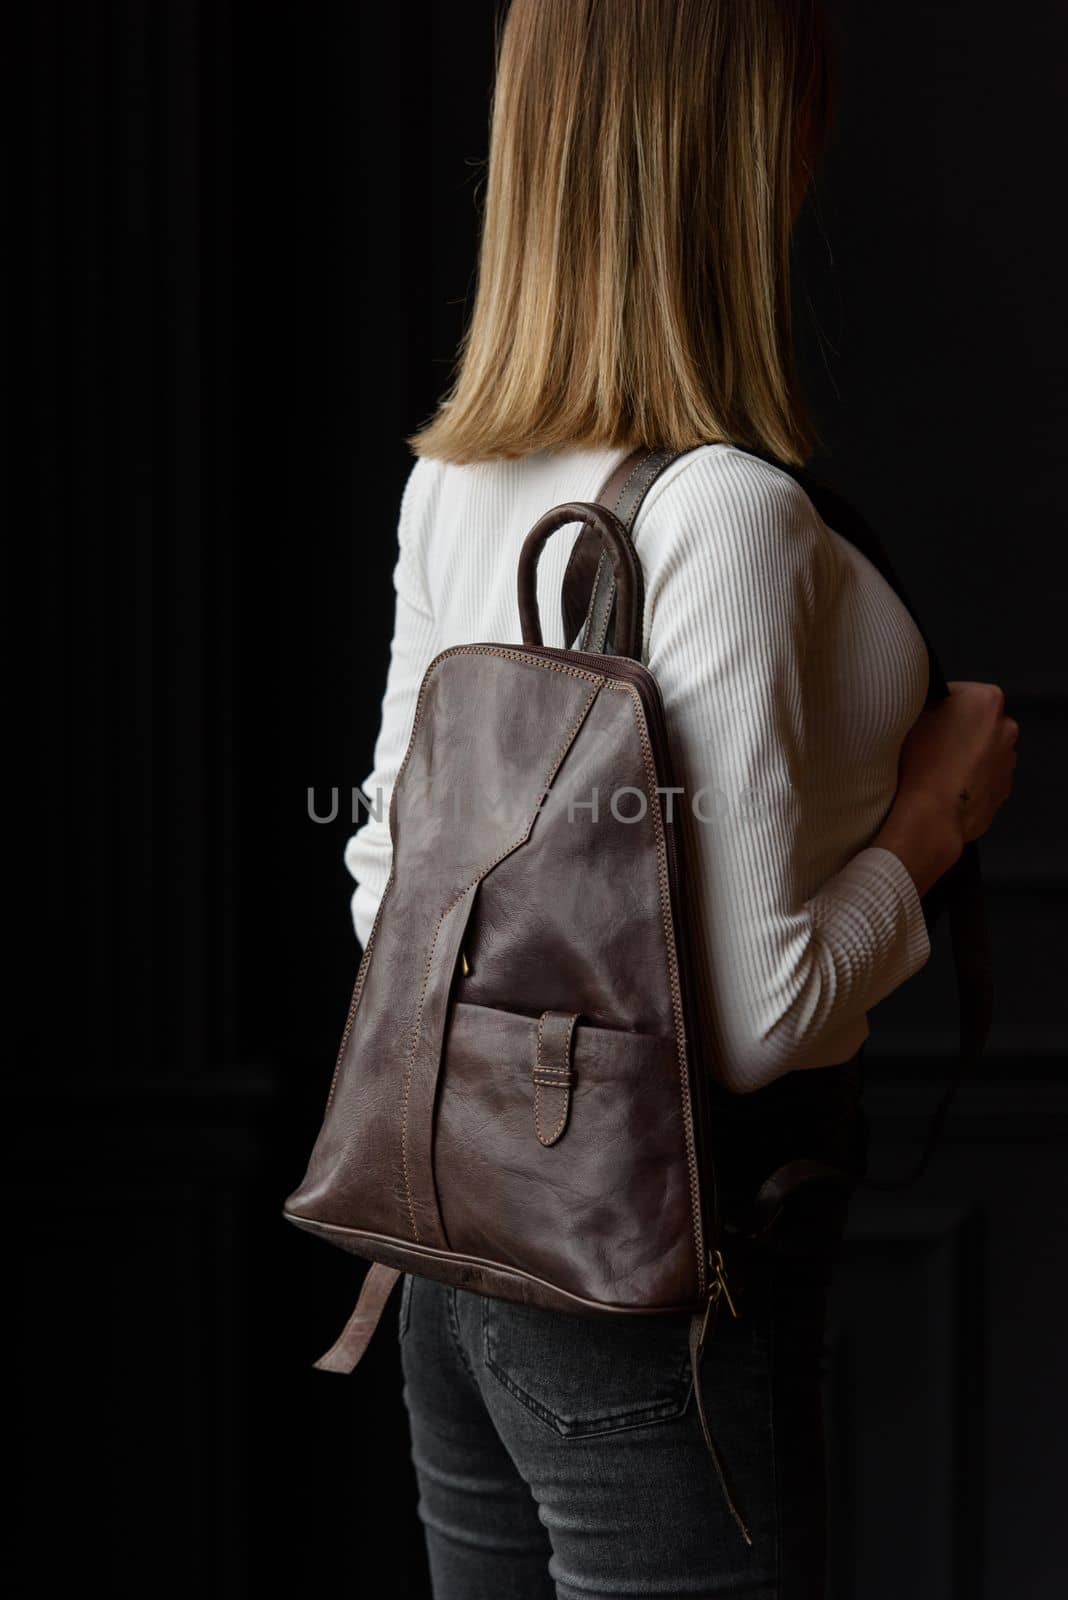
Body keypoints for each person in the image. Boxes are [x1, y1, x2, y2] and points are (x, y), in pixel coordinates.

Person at [343, 2, 1018, 1594]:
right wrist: (934, 820)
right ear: (744, 153)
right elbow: (755, 1018)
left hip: (457, 1270)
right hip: (656, 1296)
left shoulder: (457, 474)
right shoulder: (723, 513)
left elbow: (388, 892)